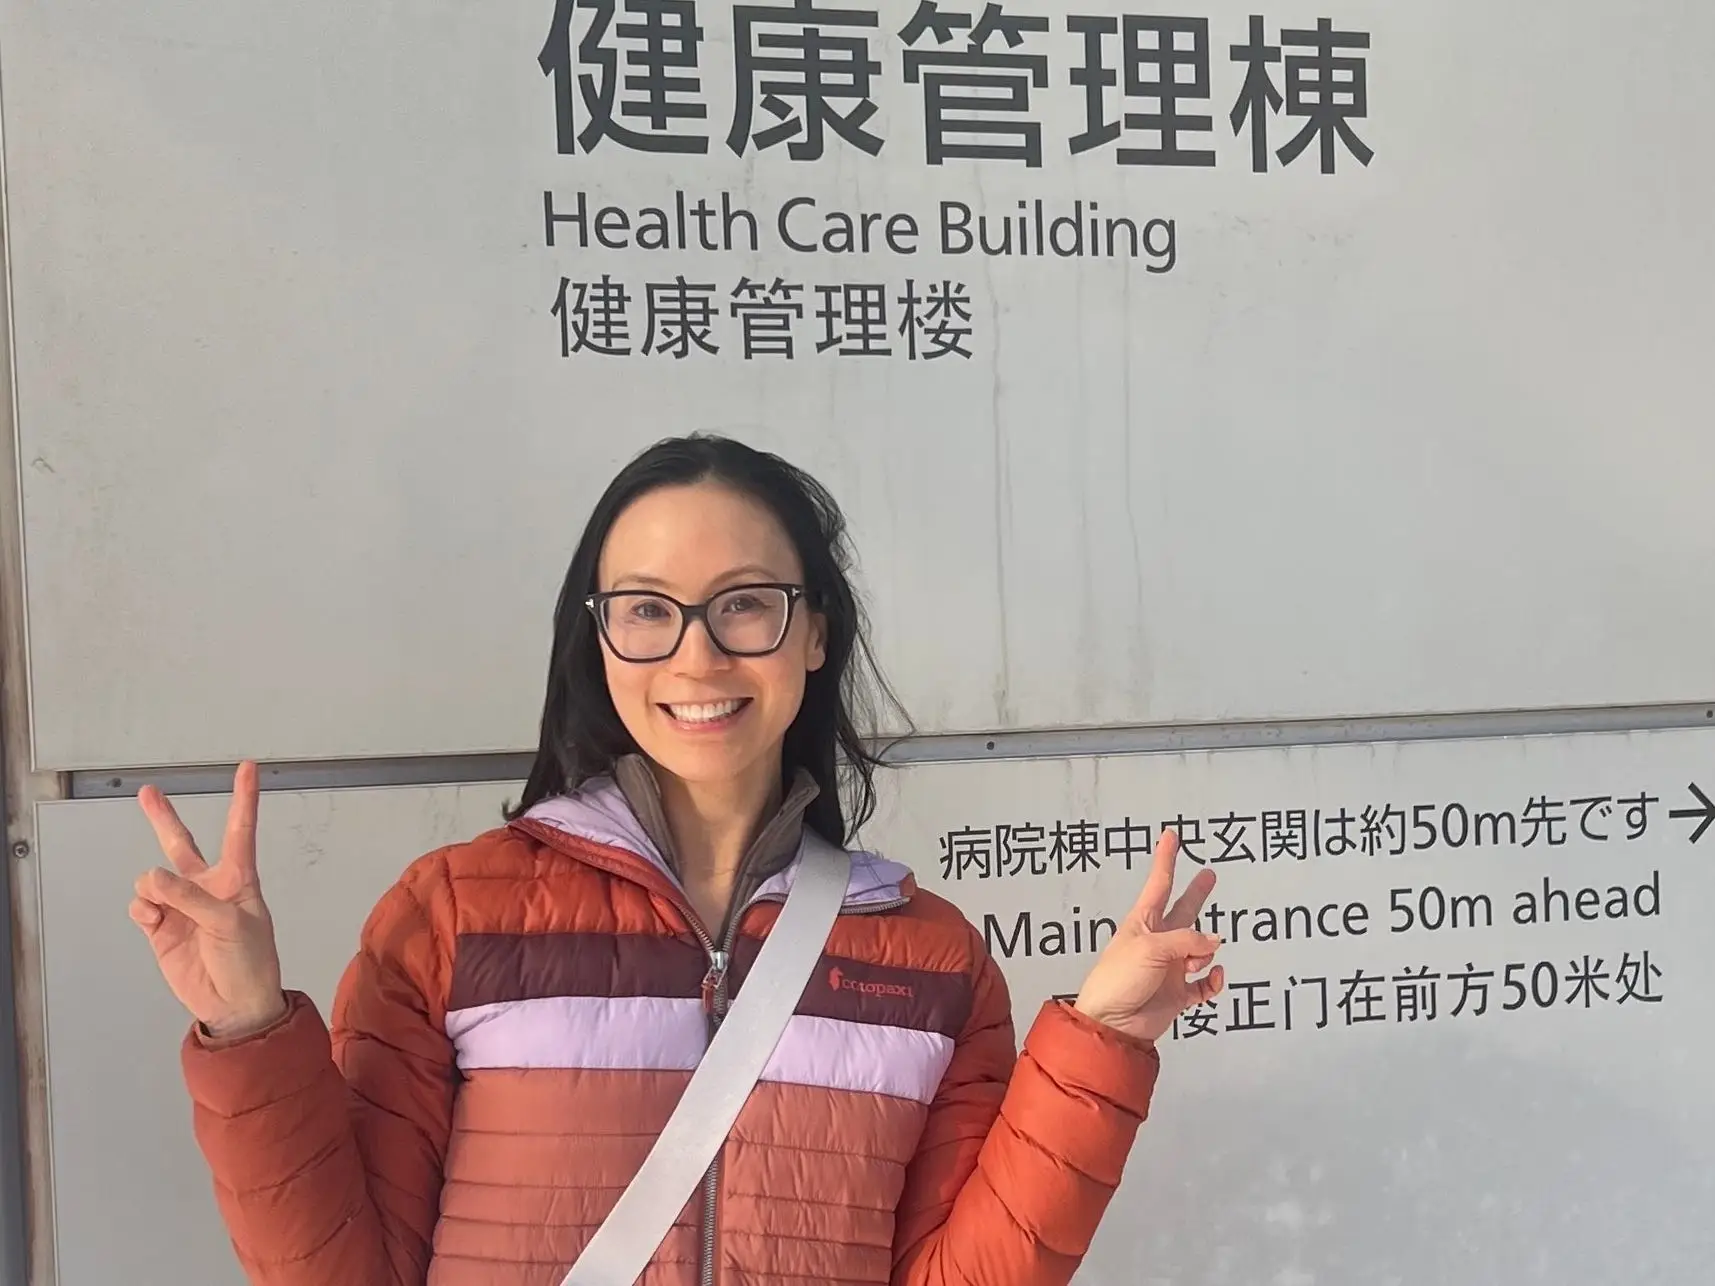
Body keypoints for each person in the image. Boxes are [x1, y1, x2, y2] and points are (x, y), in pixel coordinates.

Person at [129, 434, 1226, 1286]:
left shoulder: (929, 958)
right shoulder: (455, 915)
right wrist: (246, 1027)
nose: (696, 653)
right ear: (596, 636)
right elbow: (344, 1267)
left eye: (745, 603)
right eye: (647, 610)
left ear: (814, 632)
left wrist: (1106, 1038)